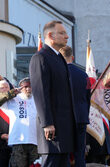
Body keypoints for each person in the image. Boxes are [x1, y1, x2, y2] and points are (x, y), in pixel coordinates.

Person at [29, 21, 76, 167]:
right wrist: (47, 123)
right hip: (52, 128)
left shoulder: (59, 58)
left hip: (64, 127)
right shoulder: (40, 58)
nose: (67, 36)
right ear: (50, 35)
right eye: (62, 33)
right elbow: (40, 93)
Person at [60, 45, 91, 167]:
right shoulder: (84, 75)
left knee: (65, 154)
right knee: (80, 153)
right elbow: (88, 98)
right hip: (81, 117)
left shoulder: (59, 74)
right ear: (72, 57)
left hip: (64, 119)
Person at [0, 77, 39, 167]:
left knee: (35, 165)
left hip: (35, 141)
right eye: (25, 87)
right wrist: (12, 93)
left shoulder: (38, 98)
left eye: (30, 86)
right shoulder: (13, 98)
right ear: (20, 87)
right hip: (18, 141)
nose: (28, 89)